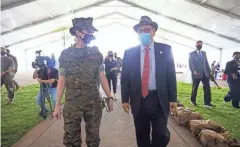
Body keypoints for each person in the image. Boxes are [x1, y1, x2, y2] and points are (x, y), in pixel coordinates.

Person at [53, 17, 113, 147]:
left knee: (93, 140)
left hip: (93, 104)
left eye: (92, 31)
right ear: (77, 32)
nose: (91, 34)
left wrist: (110, 97)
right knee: (71, 140)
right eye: (88, 30)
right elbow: (61, 80)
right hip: (72, 105)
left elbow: (102, 76)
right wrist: (57, 105)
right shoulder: (65, 55)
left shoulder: (96, 53)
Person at [121, 16, 177, 147]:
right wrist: (124, 99)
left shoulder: (165, 49)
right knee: (141, 134)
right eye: (141, 31)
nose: (144, 33)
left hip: (159, 98)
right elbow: (125, 78)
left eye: (147, 29)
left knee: (161, 134)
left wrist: (173, 98)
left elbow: (171, 75)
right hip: (138, 99)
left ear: (154, 31)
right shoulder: (130, 53)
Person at [189, 41, 215, 108]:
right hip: (196, 74)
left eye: (201, 44)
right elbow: (191, 63)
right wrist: (193, 70)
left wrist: (210, 72)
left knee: (207, 88)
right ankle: (193, 101)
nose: (200, 45)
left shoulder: (204, 53)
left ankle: (207, 103)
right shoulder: (192, 54)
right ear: (195, 45)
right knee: (195, 88)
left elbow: (206, 63)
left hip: (205, 73)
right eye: (198, 44)